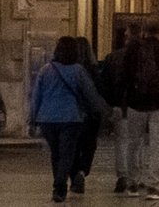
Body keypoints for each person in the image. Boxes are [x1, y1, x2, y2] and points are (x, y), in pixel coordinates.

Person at [32, 36, 111, 204]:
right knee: (67, 153)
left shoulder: (46, 70)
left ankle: (59, 185)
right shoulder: (78, 70)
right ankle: (60, 187)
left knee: (56, 154)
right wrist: (105, 110)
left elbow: (36, 97)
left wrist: (32, 118)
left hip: (47, 119)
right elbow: (91, 94)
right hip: (71, 118)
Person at [119, 22, 159, 198]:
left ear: (144, 33)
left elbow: (124, 74)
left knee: (134, 143)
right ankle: (153, 186)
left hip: (136, 102)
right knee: (157, 145)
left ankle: (133, 184)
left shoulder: (133, 50)